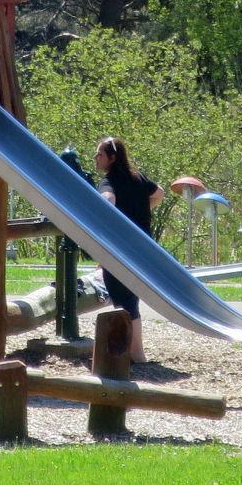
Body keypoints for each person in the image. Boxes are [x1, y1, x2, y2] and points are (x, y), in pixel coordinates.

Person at [95, 136, 163, 361]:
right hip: (143, 250)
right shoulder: (138, 178)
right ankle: (136, 352)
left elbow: (107, 201)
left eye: (100, 154)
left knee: (123, 302)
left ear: (112, 158)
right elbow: (159, 192)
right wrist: (143, 209)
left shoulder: (108, 182)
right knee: (131, 300)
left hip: (120, 250)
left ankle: (134, 354)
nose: (96, 158)